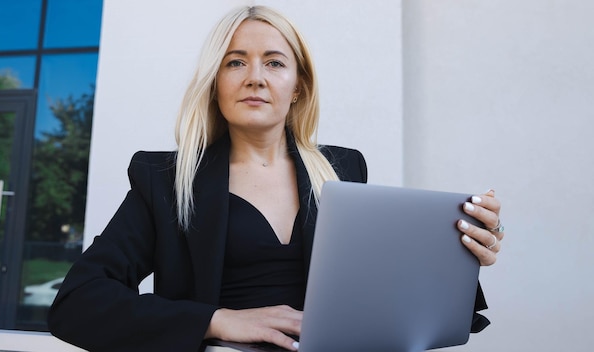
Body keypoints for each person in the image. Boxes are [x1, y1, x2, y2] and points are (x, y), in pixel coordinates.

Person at [47, 5, 504, 352]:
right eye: (235, 62)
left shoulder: (344, 172)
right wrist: (217, 320)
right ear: (215, 81)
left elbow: (387, 299)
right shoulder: (165, 180)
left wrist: (463, 254)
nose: (255, 78)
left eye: (274, 62)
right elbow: (78, 303)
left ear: (298, 85)